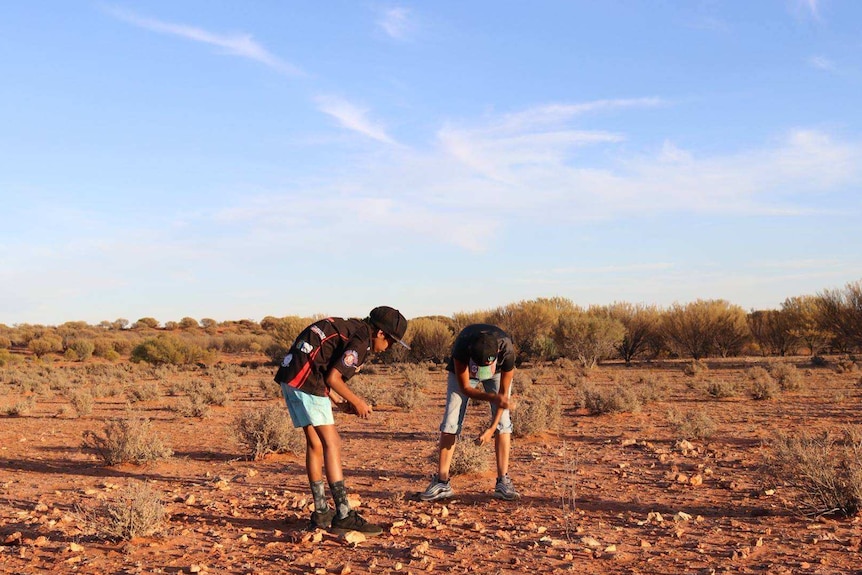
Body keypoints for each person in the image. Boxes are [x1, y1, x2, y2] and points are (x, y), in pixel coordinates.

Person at [274, 306, 409, 534]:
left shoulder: (352, 327)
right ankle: (344, 514)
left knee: (315, 444)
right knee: (332, 443)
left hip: (291, 376)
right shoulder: (361, 341)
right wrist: (357, 402)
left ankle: (321, 513)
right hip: (306, 380)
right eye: (392, 342)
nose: (389, 348)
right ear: (380, 334)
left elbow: (322, 361)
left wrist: (336, 401)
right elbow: (333, 377)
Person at [420, 324, 520, 502]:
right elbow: (465, 388)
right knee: (450, 420)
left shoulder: (507, 350)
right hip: (466, 372)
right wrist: (491, 397)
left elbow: (503, 396)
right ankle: (442, 482)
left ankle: (503, 481)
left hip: (497, 372)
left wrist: (491, 429)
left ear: (497, 352)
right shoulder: (462, 347)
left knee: (504, 423)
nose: (482, 373)